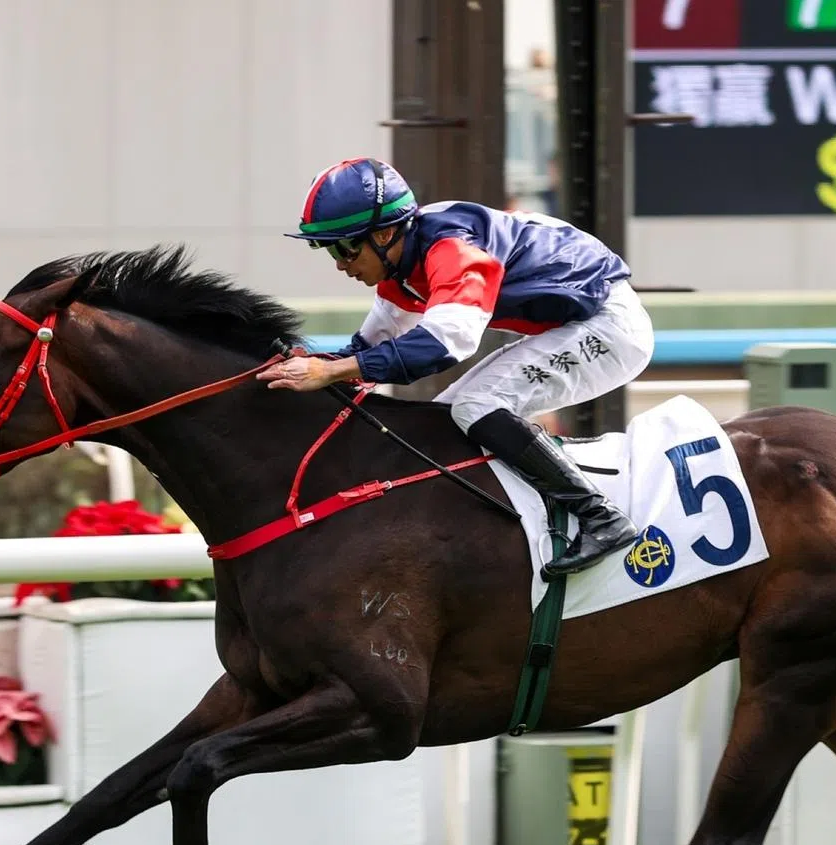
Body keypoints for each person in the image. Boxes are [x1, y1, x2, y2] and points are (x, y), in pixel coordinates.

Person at [257, 157, 654, 581]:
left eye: (345, 247)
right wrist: (314, 365)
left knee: (476, 407)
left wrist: (331, 372)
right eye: (330, 250)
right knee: (444, 421)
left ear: (386, 233)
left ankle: (600, 517)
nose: (340, 263)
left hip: (608, 326)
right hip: (572, 324)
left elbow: (446, 343)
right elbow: (368, 350)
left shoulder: (451, 249)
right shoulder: (402, 265)